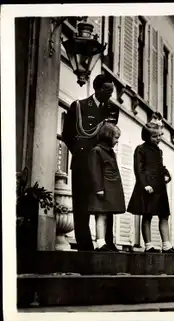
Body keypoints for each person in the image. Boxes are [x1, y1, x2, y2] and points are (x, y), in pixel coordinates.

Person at [61, 74, 120, 251]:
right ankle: (84, 244)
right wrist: (81, 155)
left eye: (112, 91)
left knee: (107, 203)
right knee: (82, 204)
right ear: (97, 88)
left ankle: (107, 242)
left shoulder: (112, 110)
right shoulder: (78, 107)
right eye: (107, 90)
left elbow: (111, 135)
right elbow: (67, 135)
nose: (110, 94)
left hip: (104, 164)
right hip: (82, 162)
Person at [127, 119, 174, 253]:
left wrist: (167, 174)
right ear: (146, 136)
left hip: (160, 187)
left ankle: (167, 245)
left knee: (164, 215)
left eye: (160, 135)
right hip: (148, 187)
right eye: (155, 136)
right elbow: (138, 169)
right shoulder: (140, 149)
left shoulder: (158, 151)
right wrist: (145, 184)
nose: (158, 138)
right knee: (147, 215)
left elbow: (160, 166)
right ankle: (148, 245)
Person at [87, 123, 126, 251]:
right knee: (101, 215)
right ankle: (100, 243)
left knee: (108, 215)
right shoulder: (96, 151)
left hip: (110, 191)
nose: (117, 141)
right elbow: (95, 170)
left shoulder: (110, 153)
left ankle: (106, 242)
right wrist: (98, 188)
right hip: (102, 190)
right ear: (108, 137)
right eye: (116, 137)